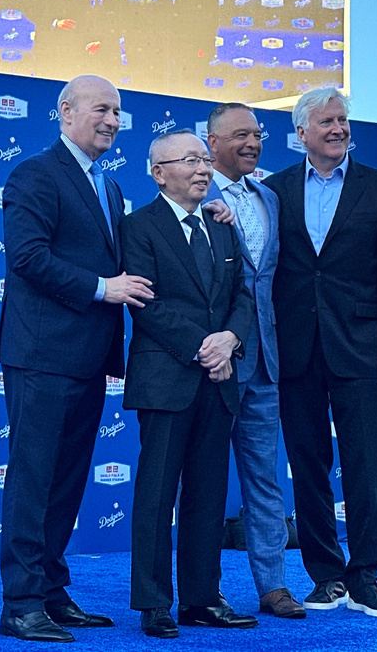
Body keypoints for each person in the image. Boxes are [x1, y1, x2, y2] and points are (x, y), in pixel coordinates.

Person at [0, 74, 154, 643]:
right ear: (66, 112)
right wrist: (101, 288)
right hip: (41, 355)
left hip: (87, 359)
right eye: (101, 110)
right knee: (35, 479)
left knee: (65, 483)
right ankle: (20, 603)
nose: (112, 121)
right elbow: (28, 257)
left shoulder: (109, 189)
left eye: (118, 112)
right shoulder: (35, 173)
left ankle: (51, 593)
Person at [263, 88, 377, 617]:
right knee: (307, 465)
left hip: (362, 348)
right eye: (325, 121)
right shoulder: (275, 190)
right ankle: (325, 575)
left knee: (365, 466)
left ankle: (367, 574)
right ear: (301, 132)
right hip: (296, 348)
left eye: (342, 120)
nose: (338, 128)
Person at [120, 130, 257, 638]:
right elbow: (146, 303)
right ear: (159, 173)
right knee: (156, 494)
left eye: (205, 159)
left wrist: (229, 341)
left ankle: (202, 598)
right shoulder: (137, 227)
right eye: (190, 160)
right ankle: (154, 602)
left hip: (219, 378)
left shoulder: (222, 226)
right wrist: (206, 346)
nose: (203, 168)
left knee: (207, 493)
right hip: (167, 378)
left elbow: (242, 296)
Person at [203, 103, 304, 619]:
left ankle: (273, 585)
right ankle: (205, 589)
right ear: (212, 141)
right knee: (203, 479)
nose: (253, 143)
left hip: (266, 360)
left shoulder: (270, 196)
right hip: (213, 363)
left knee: (264, 478)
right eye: (240, 134)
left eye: (258, 135)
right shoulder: (192, 194)